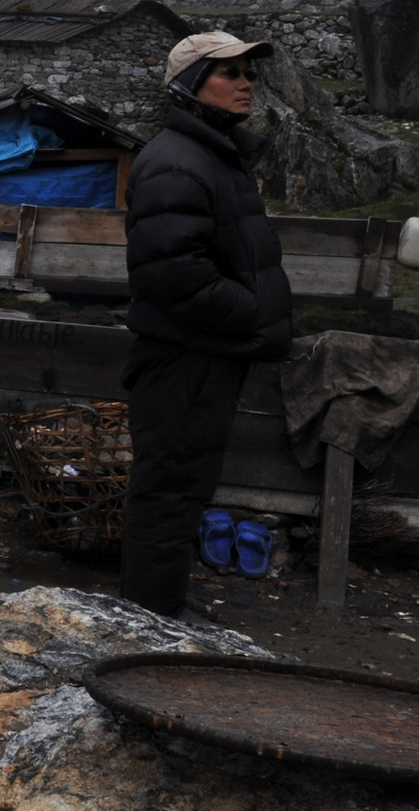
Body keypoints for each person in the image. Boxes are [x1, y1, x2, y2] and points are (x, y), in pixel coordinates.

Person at [121, 31, 293, 620]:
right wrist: (256, 314)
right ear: (192, 86)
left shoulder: (215, 156)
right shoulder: (176, 162)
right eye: (231, 72)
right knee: (168, 493)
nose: (247, 82)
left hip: (206, 353)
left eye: (250, 71)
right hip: (184, 358)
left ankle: (158, 614)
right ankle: (151, 622)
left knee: (184, 488)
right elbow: (172, 276)